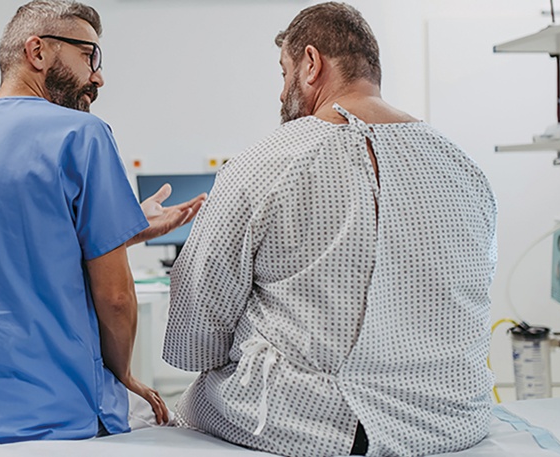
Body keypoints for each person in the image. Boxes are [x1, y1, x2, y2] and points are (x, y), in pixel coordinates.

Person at [163, 3, 498, 457]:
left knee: (188, 403)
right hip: (454, 421)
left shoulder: (263, 164)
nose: (282, 93)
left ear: (311, 63)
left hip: (316, 426)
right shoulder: (463, 167)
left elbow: (195, 337)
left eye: (284, 72)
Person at [0, 0, 204, 443]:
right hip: (40, 412)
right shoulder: (83, 135)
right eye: (88, 56)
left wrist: (127, 230)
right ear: (37, 52)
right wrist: (122, 377)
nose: (98, 76)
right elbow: (116, 298)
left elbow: (11, 249)